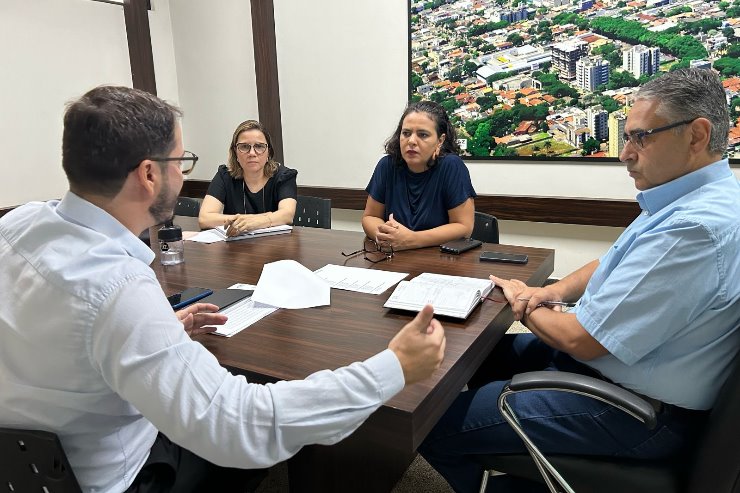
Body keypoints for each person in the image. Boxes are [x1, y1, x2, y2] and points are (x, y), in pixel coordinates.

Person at [0, 85, 446, 493]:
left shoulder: (16, 225)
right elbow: (245, 426)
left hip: (24, 469)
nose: (183, 175)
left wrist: (158, 330)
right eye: (180, 162)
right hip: (125, 476)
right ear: (149, 175)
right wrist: (394, 368)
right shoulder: (119, 289)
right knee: (258, 450)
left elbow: (67, 335)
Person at [419, 67, 739, 492]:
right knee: (474, 355)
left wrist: (522, 301)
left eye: (640, 137)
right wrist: (549, 292)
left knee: (429, 422)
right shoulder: (690, 201)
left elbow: (580, 339)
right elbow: (609, 264)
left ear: (697, 136)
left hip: (634, 409)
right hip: (610, 372)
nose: (625, 154)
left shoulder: (695, 228)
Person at [362, 100, 476, 250]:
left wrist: (412, 240)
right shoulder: (387, 165)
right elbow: (370, 217)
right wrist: (385, 235)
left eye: (422, 135)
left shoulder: (451, 166)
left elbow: (464, 227)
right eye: (406, 133)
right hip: (394, 259)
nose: (412, 141)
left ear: (439, 141)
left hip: (439, 261)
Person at [198, 119, 297, 236]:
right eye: (244, 147)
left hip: (276, 247)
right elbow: (204, 218)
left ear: (268, 153)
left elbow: (287, 215)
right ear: (235, 152)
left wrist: (254, 222)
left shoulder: (284, 176)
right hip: (235, 248)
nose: (252, 153)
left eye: (259, 146)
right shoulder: (224, 176)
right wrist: (245, 221)